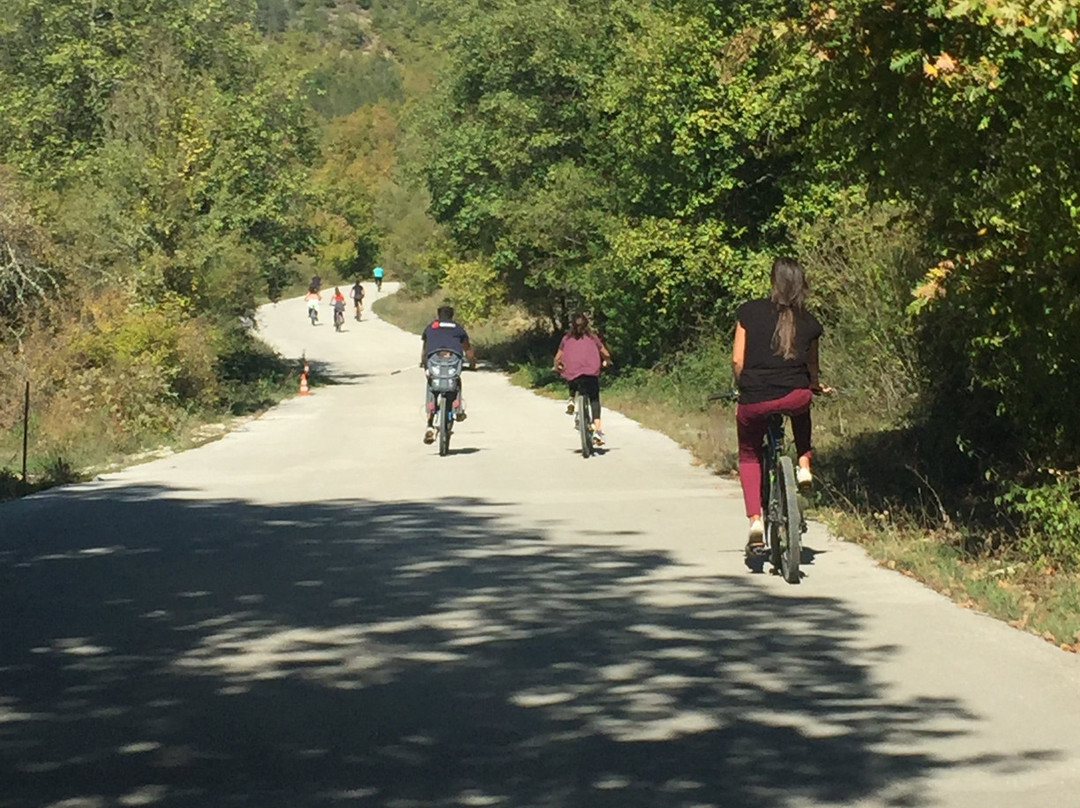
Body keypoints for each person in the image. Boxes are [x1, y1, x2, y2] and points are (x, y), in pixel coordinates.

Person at [732, 256, 830, 548]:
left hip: (755, 398)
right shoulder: (810, 322)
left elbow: (738, 360)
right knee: (802, 406)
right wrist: (815, 386)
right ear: (802, 283)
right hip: (795, 394)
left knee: (749, 454)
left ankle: (755, 521)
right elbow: (812, 369)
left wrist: (744, 386)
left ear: (772, 280)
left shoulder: (749, 312)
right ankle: (803, 464)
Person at [554, 313, 612, 446]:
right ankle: (597, 430)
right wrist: (607, 361)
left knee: (572, 374)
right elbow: (605, 353)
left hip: (573, 373)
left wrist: (557, 367)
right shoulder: (593, 338)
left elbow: (558, 358)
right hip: (591, 372)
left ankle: (572, 399)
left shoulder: (566, 339)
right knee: (594, 398)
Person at [420, 305, 475, 444]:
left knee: (431, 386)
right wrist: (473, 363)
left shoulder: (431, 328)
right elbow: (467, 349)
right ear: (452, 316)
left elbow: (425, 350)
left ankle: (429, 424)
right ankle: (458, 409)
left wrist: (424, 363)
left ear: (438, 315)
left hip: (434, 364)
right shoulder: (458, 329)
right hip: (452, 366)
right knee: (456, 382)